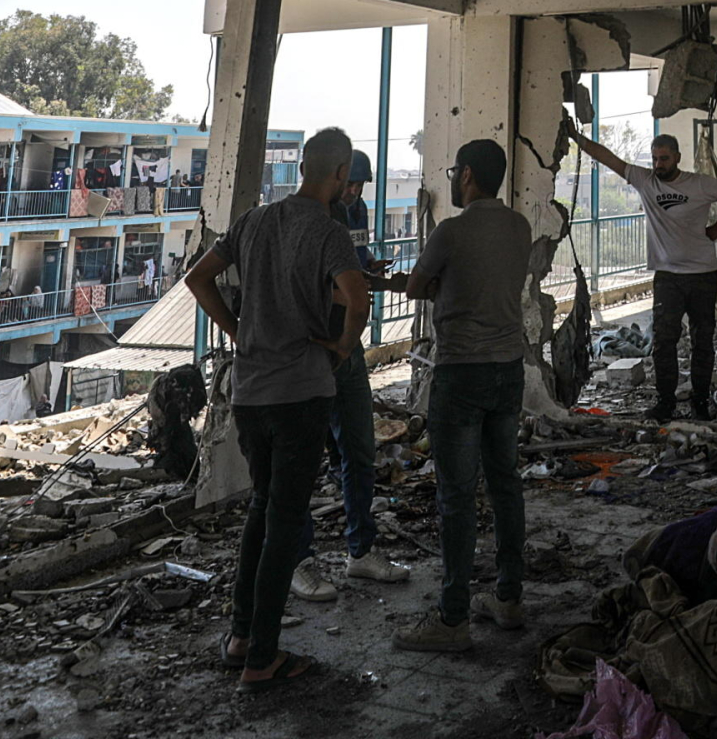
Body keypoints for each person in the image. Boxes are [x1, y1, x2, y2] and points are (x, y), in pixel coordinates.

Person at [183, 126, 371, 689]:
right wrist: (341, 346)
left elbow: (198, 278)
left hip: (250, 394)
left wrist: (237, 329)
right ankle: (263, 656)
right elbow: (357, 296)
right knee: (285, 521)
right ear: (339, 175)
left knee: (263, 511)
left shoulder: (253, 221)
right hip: (300, 393)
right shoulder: (328, 229)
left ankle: (240, 636)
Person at [383, 138, 533, 652]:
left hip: (461, 373)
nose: (450, 179)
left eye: (452, 171)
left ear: (466, 175)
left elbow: (417, 286)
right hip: (508, 369)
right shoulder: (520, 227)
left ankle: (452, 619)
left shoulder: (451, 231)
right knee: (505, 484)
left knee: (457, 497)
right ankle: (508, 599)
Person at [291, 147, 409, 601]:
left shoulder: (352, 212)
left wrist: (366, 272)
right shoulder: (303, 220)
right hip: (313, 346)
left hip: (347, 346)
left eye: (360, 186)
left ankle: (361, 550)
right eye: (349, 184)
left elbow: (349, 269)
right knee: (300, 459)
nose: (354, 192)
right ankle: (299, 560)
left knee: (359, 449)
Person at [568, 129, 717, 421]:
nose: (658, 164)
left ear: (677, 157)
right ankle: (666, 404)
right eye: (654, 159)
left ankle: (700, 403)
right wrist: (577, 138)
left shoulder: (699, 183)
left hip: (703, 275)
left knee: (703, 341)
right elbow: (609, 158)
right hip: (667, 277)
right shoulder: (645, 181)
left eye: (664, 158)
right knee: (664, 342)